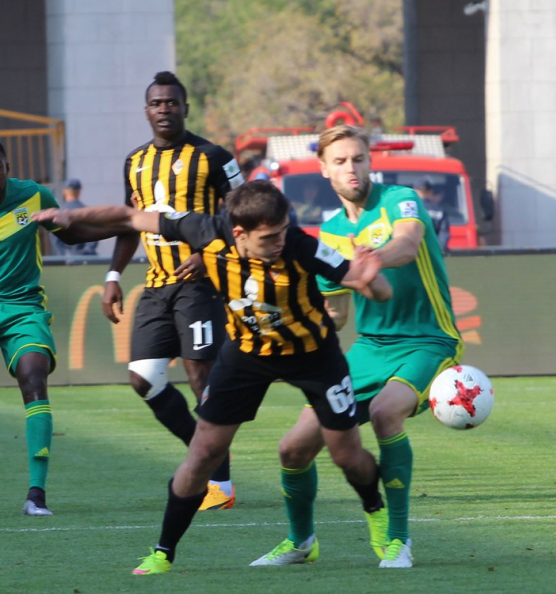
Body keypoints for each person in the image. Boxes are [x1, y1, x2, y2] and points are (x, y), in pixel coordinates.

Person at [32, 179, 394, 575]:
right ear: (238, 233)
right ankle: (163, 552)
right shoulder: (203, 230)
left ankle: (376, 511)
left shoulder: (302, 245)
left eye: (283, 231)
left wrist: (371, 276)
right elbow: (130, 215)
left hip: (313, 355)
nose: (280, 241)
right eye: (269, 237)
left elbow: (376, 290)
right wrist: (70, 215)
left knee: (346, 454)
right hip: (246, 354)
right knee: (203, 453)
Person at [253, 125, 463, 569]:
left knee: (387, 413)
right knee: (293, 447)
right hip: (370, 348)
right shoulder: (328, 232)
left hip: (429, 339)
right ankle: (300, 542)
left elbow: (407, 245)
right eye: (342, 161)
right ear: (325, 170)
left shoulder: (400, 199)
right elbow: (338, 313)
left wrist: (369, 261)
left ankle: (398, 541)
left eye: (359, 158)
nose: (353, 167)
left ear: (371, 162)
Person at [0, 135, 110, 517]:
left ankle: (36, 495)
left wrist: (120, 226)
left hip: (23, 307)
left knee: (33, 374)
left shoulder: (35, 197)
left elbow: (70, 232)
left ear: (7, 168)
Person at [102, 71, 244, 511]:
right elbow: (130, 224)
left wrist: (208, 254)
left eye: (171, 102)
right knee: (143, 378)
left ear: (185, 107)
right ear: (147, 110)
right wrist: (112, 276)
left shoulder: (214, 157)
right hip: (156, 285)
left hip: (202, 285)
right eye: (156, 103)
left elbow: (246, 212)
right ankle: (206, 452)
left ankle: (219, 483)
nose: (164, 108)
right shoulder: (135, 162)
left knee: (199, 374)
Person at [51, 178, 99, 256]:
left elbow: (56, 240)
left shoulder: (58, 213)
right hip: (86, 260)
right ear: (79, 191)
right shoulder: (87, 211)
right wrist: (87, 252)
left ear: (64, 191)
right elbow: (94, 236)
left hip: (67, 259)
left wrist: (62, 256)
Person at [414, 177, 450, 253]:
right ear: (430, 191)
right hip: (432, 253)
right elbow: (443, 234)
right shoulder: (440, 212)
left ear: (415, 190)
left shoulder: (409, 210)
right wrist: (438, 252)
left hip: (412, 253)